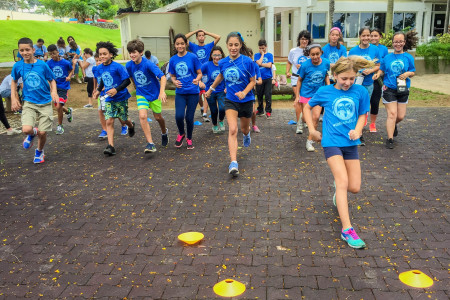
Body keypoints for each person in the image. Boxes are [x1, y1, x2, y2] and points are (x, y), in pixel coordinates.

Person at [304, 56, 375, 249]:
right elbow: (307, 106)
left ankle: (339, 191)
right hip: (331, 142)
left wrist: (359, 130)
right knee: (343, 182)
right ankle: (347, 230)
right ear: (334, 75)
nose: (348, 82)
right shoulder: (325, 91)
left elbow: (362, 114)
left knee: (354, 187)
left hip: (351, 143)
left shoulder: (360, 91)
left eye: (352, 78)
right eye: (344, 78)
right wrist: (311, 129)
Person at [205, 32, 256, 177]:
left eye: (236, 45)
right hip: (231, 100)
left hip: (246, 100)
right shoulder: (223, 62)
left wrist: (244, 93)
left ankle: (247, 135)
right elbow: (221, 76)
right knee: (233, 130)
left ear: (240, 45)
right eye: (230, 45)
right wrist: (210, 89)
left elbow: (253, 81)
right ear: (227, 46)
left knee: (244, 129)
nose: (233, 48)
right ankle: (233, 162)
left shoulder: (247, 62)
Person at [11, 37, 58, 164]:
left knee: (43, 133)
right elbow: (14, 81)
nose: (25, 53)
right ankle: (32, 133)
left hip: (45, 102)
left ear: (33, 50)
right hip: (29, 102)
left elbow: (52, 79)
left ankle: (39, 151)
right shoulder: (18, 66)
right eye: (21, 50)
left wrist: (54, 92)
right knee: (26, 129)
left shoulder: (42, 64)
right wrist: (14, 98)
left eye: (27, 50)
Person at [373, 31, 416, 149]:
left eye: (400, 41)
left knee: (400, 116)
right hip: (389, 89)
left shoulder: (408, 57)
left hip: (402, 88)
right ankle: (390, 139)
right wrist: (377, 74)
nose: (398, 44)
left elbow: (413, 71)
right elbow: (382, 70)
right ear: (392, 43)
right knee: (392, 114)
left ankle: (393, 125)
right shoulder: (387, 58)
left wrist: (408, 73)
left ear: (404, 42)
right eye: (396, 42)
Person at [92, 41, 136, 156]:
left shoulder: (117, 67)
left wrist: (116, 89)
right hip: (109, 98)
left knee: (124, 118)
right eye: (100, 54)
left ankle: (131, 125)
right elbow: (102, 80)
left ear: (111, 55)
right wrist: (98, 90)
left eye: (104, 54)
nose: (102, 56)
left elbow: (127, 81)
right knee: (109, 120)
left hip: (121, 97)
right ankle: (110, 146)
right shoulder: (99, 68)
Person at [126, 39, 169, 153]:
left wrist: (161, 92)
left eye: (134, 52)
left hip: (154, 94)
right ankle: (150, 144)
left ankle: (164, 132)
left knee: (158, 118)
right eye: (130, 52)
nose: (132, 55)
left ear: (141, 52)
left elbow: (163, 77)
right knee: (143, 116)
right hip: (141, 94)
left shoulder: (148, 64)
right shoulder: (129, 65)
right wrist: (136, 87)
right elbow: (131, 77)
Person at [293, 44, 330, 151]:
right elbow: (299, 80)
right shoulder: (305, 65)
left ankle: (310, 141)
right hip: (306, 94)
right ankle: (302, 118)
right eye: (312, 54)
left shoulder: (326, 63)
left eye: (317, 54)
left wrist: (328, 89)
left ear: (321, 53)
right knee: (306, 118)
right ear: (309, 55)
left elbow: (326, 75)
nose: (315, 57)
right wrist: (297, 96)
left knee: (316, 117)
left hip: (318, 94)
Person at [169, 34, 202, 150]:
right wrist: (174, 81)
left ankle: (189, 138)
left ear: (186, 44)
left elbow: (199, 73)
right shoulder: (173, 59)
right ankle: (181, 133)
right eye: (177, 44)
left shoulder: (192, 57)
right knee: (178, 116)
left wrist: (197, 79)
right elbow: (172, 75)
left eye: (182, 43)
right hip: (180, 92)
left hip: (193, 92)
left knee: (189, 117)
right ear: (175, 45)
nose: (180, 46)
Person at [348, 27, 380, 146]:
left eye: (368, 36)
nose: (366, 38)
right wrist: (359, 70)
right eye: (364, 36)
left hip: (368, 84)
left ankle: (359, 133)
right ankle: (356, 132)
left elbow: (378, 65)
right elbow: (349, 67)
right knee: (355, 107)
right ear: (360, 37)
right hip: (355, 83)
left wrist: (370, 70)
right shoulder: (353, 51)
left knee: (363, 108)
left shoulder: (375, 50)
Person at [185, 29, 221, 121]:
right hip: (197, 73)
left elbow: (218, 37)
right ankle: (202, 108)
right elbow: (184, 38)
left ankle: (205, 112)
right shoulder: (194, 47)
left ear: (204, 37)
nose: (201, 37)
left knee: (207, 92)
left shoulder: (209, 46)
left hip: (207, 72)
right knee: (197, 93)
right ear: (197, 38)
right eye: (199, 35)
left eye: (202, 35)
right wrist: (195, 31)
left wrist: (206, 32)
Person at [286, 30, 312, 133]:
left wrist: (305, 66)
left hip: (307, 79)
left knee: (305, 102)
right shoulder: (294, 51)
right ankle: (299, 124)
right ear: (299, 40)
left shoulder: (311, 50)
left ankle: (305, 120)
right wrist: (287, 71)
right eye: (302, 39)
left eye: (306, 39)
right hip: (296, 77)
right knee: (298, 101)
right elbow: (289, 62)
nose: (304, 41)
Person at [47, 44, 74, 135]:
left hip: (63, 86)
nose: (53, 56)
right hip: (54, 88)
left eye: (54, 53)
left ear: (58, 52)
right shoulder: (49, 64)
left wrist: (69, 76)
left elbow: (71, 70)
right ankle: (68, 111)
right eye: (51, 54)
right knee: (59, 107)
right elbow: (47, 75)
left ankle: (60, 125)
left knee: (58, 106)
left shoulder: (65, 63)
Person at [200, 46, 226, 134]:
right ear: (211, 55)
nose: (217, 57)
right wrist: (199, 82)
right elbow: (199, 73)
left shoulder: (225, 64)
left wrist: (227, 87)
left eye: (219, 55)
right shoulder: (207, 65)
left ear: (222, 55)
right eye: (215, 55)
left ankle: (221, 120)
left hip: (221, 90)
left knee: (222, 108)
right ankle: (214, 125)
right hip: (209, 91)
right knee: (214, 110)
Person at [369, 28, 389, 133]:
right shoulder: (366, 48)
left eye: (375, 36)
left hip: (378, 78)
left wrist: (378, 73)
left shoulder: (384, 49)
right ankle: (362, 120)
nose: (373, 38)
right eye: (371, 35)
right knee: (364, 100)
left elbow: (385, 63)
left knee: (375, 101)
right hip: (365, 78)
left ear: (380, 37)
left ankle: (372, 123)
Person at [254, 39, 274, 119]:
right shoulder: (256, 55)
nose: (262, 50)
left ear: (266, 47)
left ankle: (268, 111)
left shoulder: (269, 55)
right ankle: (260, 110)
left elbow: (269, 65)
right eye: (260, 48)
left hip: (268, 78)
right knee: (259, 95)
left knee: (268, 95)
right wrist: (262, 55)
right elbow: (257, 63)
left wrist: (260, 63)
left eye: (263, 48)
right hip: (259, 78)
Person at [249, 48, 262, 133]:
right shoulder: (240, 64)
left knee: (253, 111)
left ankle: (253, 124)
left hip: (251, 92)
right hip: (240, 91)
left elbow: (260, 80)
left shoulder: (255, 65)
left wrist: (255, 81)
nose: (249, 58)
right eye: (247, 56)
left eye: (250, 56)